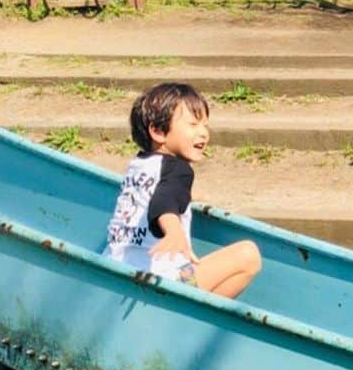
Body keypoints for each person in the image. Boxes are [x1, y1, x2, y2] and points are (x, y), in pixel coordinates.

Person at [104, 83, 261, 298]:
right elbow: (164, 201)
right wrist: (173, 230)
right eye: (193, 124)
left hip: (114, 269)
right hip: (164, 282)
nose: (203, 134)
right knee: (248, 255)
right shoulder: (179, 170)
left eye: (205, 125)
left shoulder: (138, 165)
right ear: (158, 131)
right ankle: (200, 320)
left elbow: (160, 195)